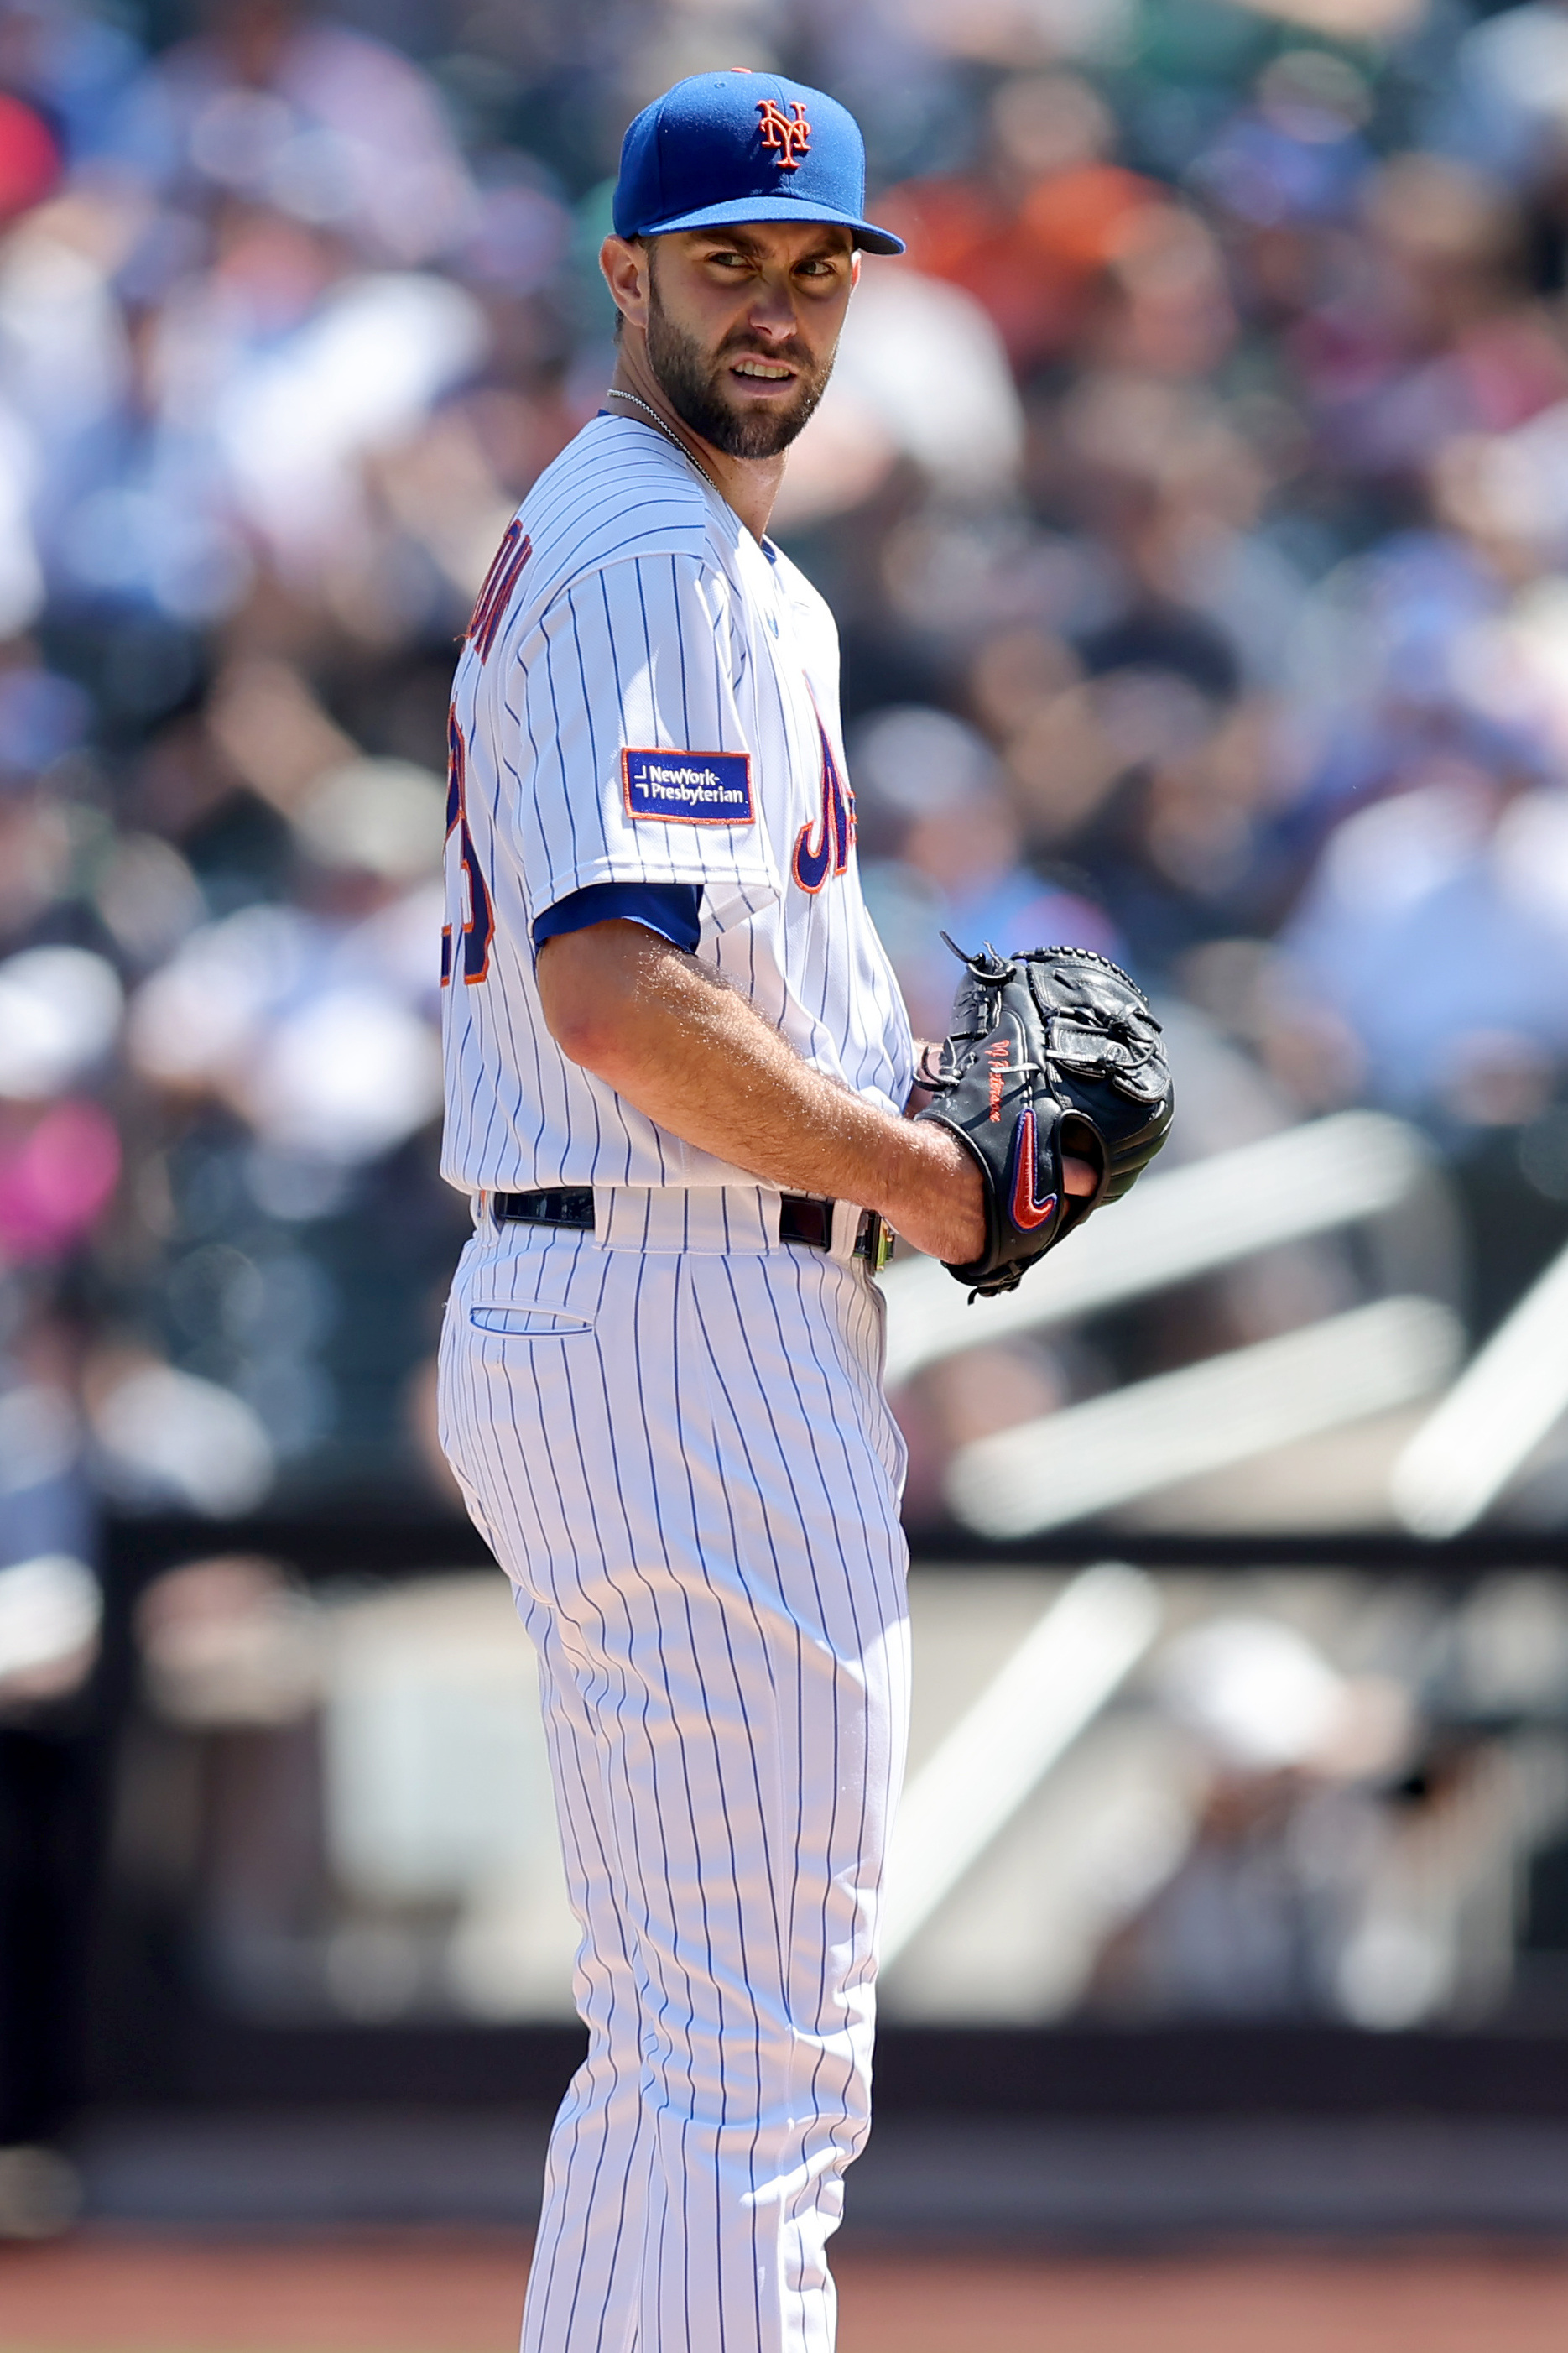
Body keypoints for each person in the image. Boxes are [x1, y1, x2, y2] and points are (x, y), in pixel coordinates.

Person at [435, 69, 1092, 2353]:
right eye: (729, 260)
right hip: (681, 1305)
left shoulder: (656, 539)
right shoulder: (655, 551)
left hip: (628, 1291)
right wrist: (926, 1170)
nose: (780, 308)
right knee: (751, 2067)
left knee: (690, 2053)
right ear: (624, 274)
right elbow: (614, 989)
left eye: (817, 270)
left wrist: (892, 1117)